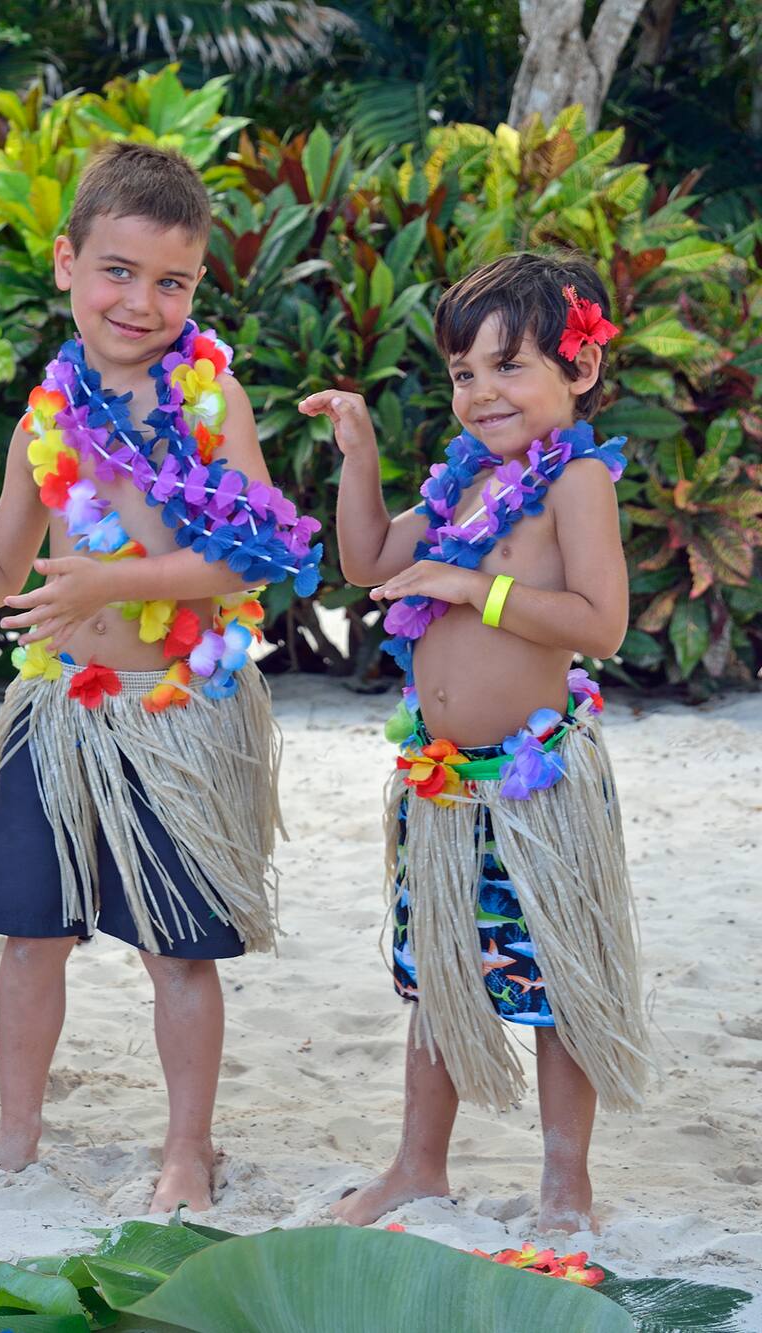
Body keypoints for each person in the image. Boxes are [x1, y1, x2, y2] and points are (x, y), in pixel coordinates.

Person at [0, 142, 322, 1208]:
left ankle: (185, 1147)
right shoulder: (43, 421)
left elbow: (252, 554)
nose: (139, 301)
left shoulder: (207, 402)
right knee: (27, 934)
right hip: (58, 713)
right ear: (65, 262)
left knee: (177, 951)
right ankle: (15, 1129)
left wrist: (110, 581)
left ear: (194, 287)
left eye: (170, 281)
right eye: (116, 270)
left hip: (175, 711)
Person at [306, 249, 650, 1233]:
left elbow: (598, 623)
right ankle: (416, 1166)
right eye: (463, 372)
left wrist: (470, 588)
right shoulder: (466, 486)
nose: (480, 391)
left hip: (535, 788)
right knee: (439, 974)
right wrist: (359, 451)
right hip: (443, 786)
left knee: (554, 981)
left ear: (575, 370)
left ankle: (563, 1187)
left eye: (508, 366)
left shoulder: (573, 479)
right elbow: (368, 558)